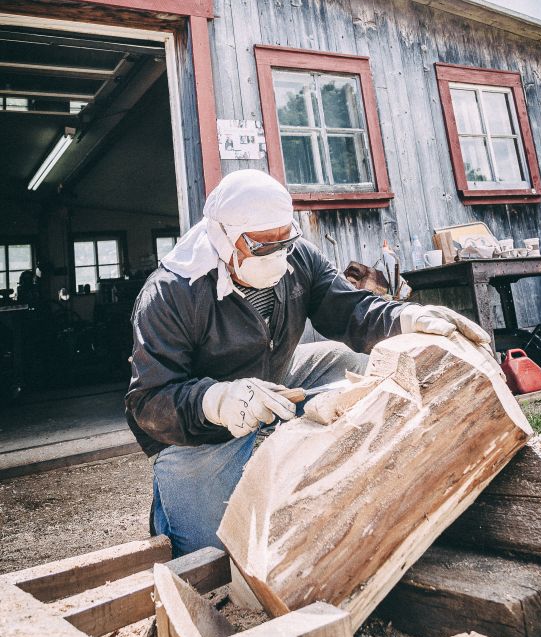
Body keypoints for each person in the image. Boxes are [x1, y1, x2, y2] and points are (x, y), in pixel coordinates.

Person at [126, 170, 490, 556]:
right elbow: (149, 400)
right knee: (210, 552)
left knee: (346, 362)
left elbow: (351, 310)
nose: (278, 255)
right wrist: (218, 401)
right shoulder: (171, 292)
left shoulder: (295, 256)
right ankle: (168, 502)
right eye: (262, 247)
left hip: (270, 372)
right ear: (223, 237)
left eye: (285, 240)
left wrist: (406, 318)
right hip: (196, 423)